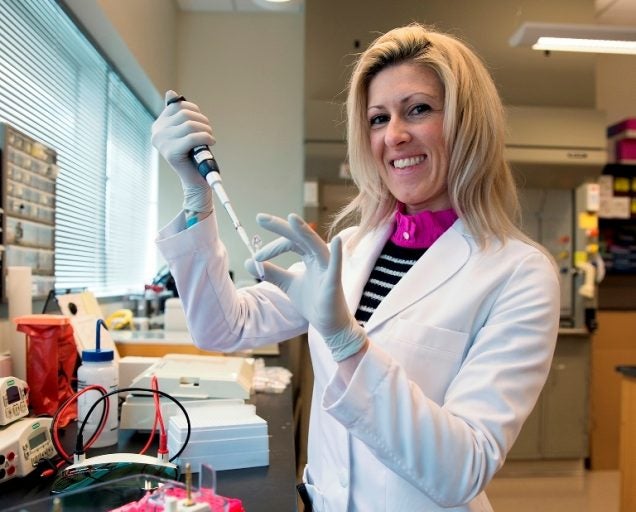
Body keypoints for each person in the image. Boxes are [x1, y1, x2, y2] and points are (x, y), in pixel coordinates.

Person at [152, 23, 559, 512]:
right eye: (377, 118)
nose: (395, 135)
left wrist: (346, 340)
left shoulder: (519, 275)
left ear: (468, 123)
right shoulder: (351, 247)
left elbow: (462, 469)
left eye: (419, 109)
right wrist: (195, 194)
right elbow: (224, 327)